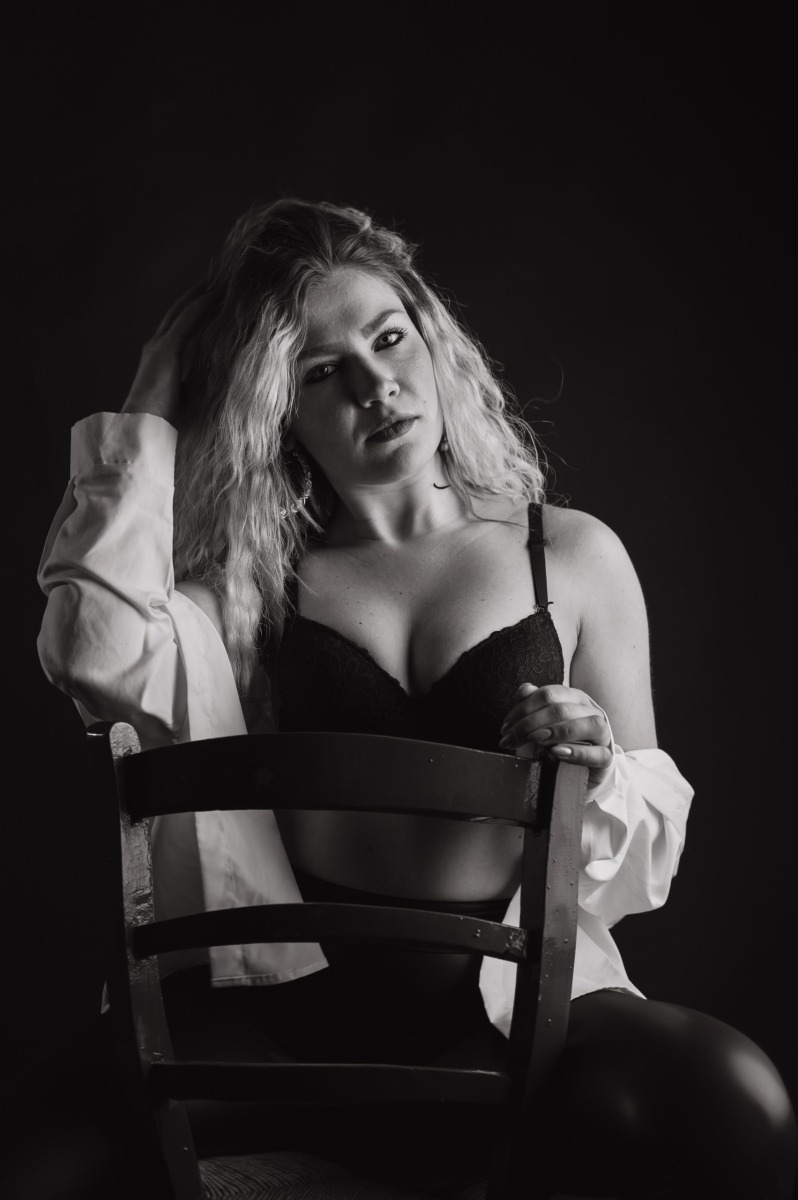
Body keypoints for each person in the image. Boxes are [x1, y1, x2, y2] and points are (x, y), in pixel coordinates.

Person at [37, 199, 796, 1198]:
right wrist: (150, 396)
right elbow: (91, 650)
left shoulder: (568, 554)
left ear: (434, 343)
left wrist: (600, 758)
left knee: (728, 1105)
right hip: (288, 1021)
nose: (375, 385)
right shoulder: (246, 590)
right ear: (278, 410)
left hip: (517, 1009)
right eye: (321, 372)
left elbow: (656, 832)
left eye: (389, 338)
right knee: (52, 1135)